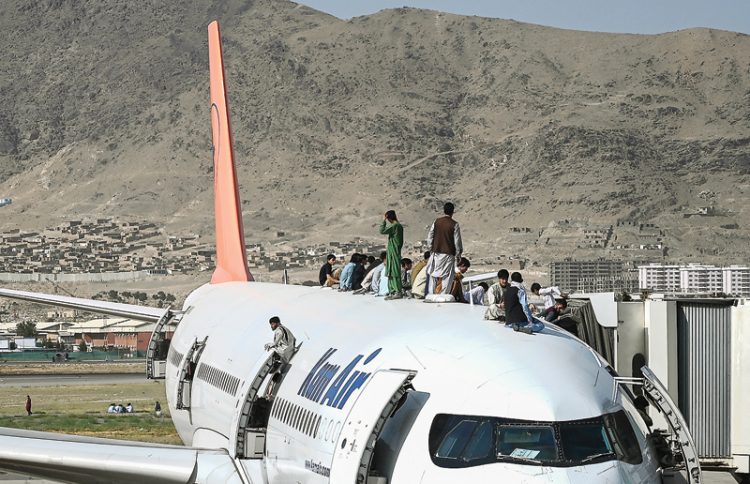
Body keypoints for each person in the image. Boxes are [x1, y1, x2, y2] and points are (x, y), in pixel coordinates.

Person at [426, 202, 463, 294]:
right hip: (448, 254)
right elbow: (457, 241)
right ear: (452, 212)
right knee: (447, 276)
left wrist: (431, 248)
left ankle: (431, 294)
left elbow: (430, 235)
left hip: (436, 253)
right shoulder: (454, 224)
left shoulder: (437, 221)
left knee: (433, 274)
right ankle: (444, 295)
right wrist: (458, 254)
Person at [264, 316, 297, 398]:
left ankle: (269, 394)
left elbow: (279, 336)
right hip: (289, 349)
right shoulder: (284, 328)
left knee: (269, 348)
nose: (271, 326)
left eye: (272, 324)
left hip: (284, 351)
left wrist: (273, 344)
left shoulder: (279, 330)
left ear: (277, 323)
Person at [379, 210, 404, 300]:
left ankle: (397, 291)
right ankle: (392, 291)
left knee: (394, 271)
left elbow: (382, 231)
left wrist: (383, 221)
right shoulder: (398, 226)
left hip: (394, 251)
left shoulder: (395, 226)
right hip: (392, 251)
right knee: (390, 271)